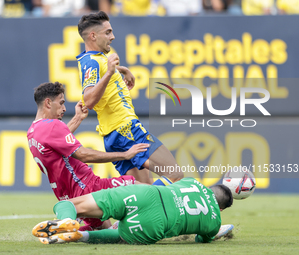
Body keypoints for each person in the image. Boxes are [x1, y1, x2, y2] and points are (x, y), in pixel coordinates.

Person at [76, 11, 184, 185]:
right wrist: (111, 71)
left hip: (113, 135)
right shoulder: (92, 62)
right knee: (175, 174)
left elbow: (103, 72)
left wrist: (122, 70)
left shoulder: (95, 59)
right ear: (93, 36)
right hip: (125, 129)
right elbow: (88, 100)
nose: (113, 36)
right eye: (108, 32)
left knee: (143, 189)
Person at [27, 81, 149, 232]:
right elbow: (82, 154)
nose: (64, 108)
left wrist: (78, 118)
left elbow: (58, 139)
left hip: (68, 196)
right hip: (88, 186)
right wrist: (125, 155)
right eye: (61, 103)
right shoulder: (53, 125)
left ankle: (66, 231)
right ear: (48, 103)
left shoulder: (33, 131)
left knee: (106, 230)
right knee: (145, 190)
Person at [32, 177, 234, 244]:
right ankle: (80, 236)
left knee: (72, 205)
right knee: (119, 235)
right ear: (222, 208)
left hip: (147, 194)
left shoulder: (192, 181)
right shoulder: (214, 221)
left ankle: (66, 219)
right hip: (157, 223)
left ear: (209, 189)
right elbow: (202, 239)